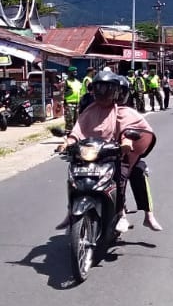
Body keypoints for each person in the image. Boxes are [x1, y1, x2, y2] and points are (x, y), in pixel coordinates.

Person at [57, 70, 163, 232]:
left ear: (115, 91)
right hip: (92, 154)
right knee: (74, 177)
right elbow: (78, 130)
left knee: (123, 177)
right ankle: (70, 211)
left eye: (106, 89)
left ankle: (125, 214)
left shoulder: (122, 111)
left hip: (114, 155)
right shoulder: (89, 110)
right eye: (99, 88)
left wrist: (126, 142)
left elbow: (128, 129)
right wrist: (68, 142)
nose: (102, 93)